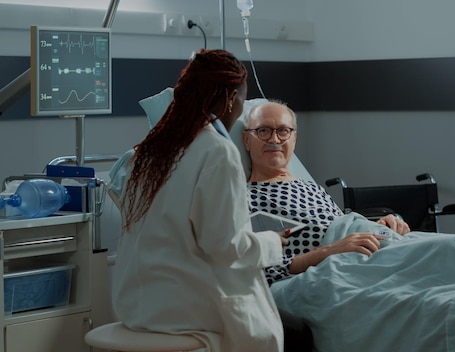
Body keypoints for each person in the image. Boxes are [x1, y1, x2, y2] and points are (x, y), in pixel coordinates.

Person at [111, 49, 288, 352]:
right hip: (181, 309)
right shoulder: (217, 152)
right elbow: (227, 248)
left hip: (131, 303)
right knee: (268, 332)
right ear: (230, 98)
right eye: (243, 101)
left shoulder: (148, 151)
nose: (241, 111)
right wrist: (273, 243)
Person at [243, 100, 410, 285]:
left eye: (283, 131)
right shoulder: (244, 198)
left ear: (294, 139)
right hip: (338, 268)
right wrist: (329, 251)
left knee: (441, 249)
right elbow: (263, 270)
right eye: (263, 131)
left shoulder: (312, 187)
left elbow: (342, 228)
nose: (274, 140)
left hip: (370, 249)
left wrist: (380, 227)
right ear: (246, 140)